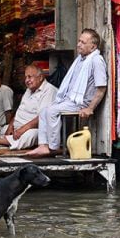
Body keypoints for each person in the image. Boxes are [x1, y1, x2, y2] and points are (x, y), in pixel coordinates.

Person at [25, 28, 108, 158]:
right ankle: (43, 145)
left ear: (93, 46)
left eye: (83, 42)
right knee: (43, 111)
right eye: (79, 41)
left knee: (51, 111)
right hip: (70, 100)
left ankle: (52, 148)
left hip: (81, 102)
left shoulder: (96, 60)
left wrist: (90, 108)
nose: (78, 44)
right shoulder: (81, 59)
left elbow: (101, 88)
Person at [0, 64, 58, 149]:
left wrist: (22, 130)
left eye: (30, 77)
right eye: (26, 77)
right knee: (4, 129)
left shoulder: (49, 91)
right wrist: (10, 126)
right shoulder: (29, 90)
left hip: (34, 128)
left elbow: (42, 117)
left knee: (31, 135)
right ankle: (11, 140)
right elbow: (20, 110)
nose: (27, 80)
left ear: (40, 77)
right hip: (19, 127)